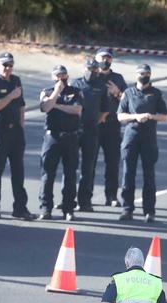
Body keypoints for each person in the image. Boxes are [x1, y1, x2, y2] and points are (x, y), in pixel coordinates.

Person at [0, 52, 37, 221]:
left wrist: (21, 125)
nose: (7, 69)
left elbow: (21, 105)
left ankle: (20, 208)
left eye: (10, 65)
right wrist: (11, 96)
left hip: (15, 132)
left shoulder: (15, 80)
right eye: (4, 65)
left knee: (18, 172)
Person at [117, 64, 167, 223]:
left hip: (149, 138)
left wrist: (151, 116)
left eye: (147, 73)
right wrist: (136, 117)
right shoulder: (128, 93)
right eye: (141, 73)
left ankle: (149, 211)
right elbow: (120, 116)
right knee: (128, 174)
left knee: (149, 175)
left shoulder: (156, 94)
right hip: (131, 137)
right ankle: (127, 209)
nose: (144, 75)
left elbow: (165, 116)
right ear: (136, 75)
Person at [38, 65, 82, 221]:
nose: (61, 78)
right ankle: (45, 208)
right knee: (47, 174)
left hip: (70, 137)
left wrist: (56, 106)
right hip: (52, 137)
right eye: (57, 75)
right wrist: (56, 93)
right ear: (53, 77)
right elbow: (45, 107)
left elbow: (76, 109)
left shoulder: (75, 91)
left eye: (63, 75)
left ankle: (68, 208)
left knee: (70, 174)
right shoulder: (47, 91)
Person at [70, 59, 109, 212]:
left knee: (88, 167)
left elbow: (105, 109)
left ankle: (85, 201)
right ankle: (69, 200)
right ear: (83, 68)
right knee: (70, 166)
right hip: (74, 129)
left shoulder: (101, 86)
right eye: (89, 68)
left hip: (91, 130)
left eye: (94, 69)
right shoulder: (75, 83)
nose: (92, 71)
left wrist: (95, 121)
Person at [95, 48, 128, 207]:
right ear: (95, 58)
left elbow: (129, 101)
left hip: (112, 125)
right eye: (102, 57)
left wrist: (117, 92)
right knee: (88, 163)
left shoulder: (118, 78)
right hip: (93, 126)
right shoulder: (91, 76)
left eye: (108, 58)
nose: (105, 61)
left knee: (113, 162)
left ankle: (112, 196)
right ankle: (84, 197)